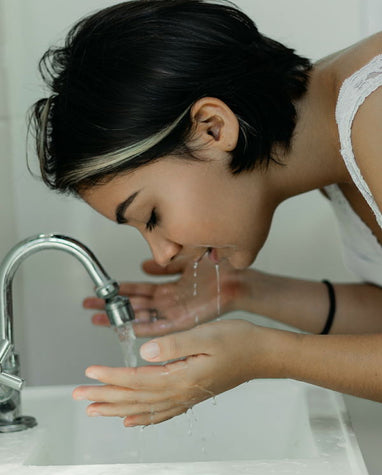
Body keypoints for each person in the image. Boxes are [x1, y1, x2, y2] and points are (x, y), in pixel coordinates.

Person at [29, 0, 382, 428]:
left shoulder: (375, 114)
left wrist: (269, 354)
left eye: (152, 215)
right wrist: (243, 291)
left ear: (213, 128)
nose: (163, 254)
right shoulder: (334, 142)